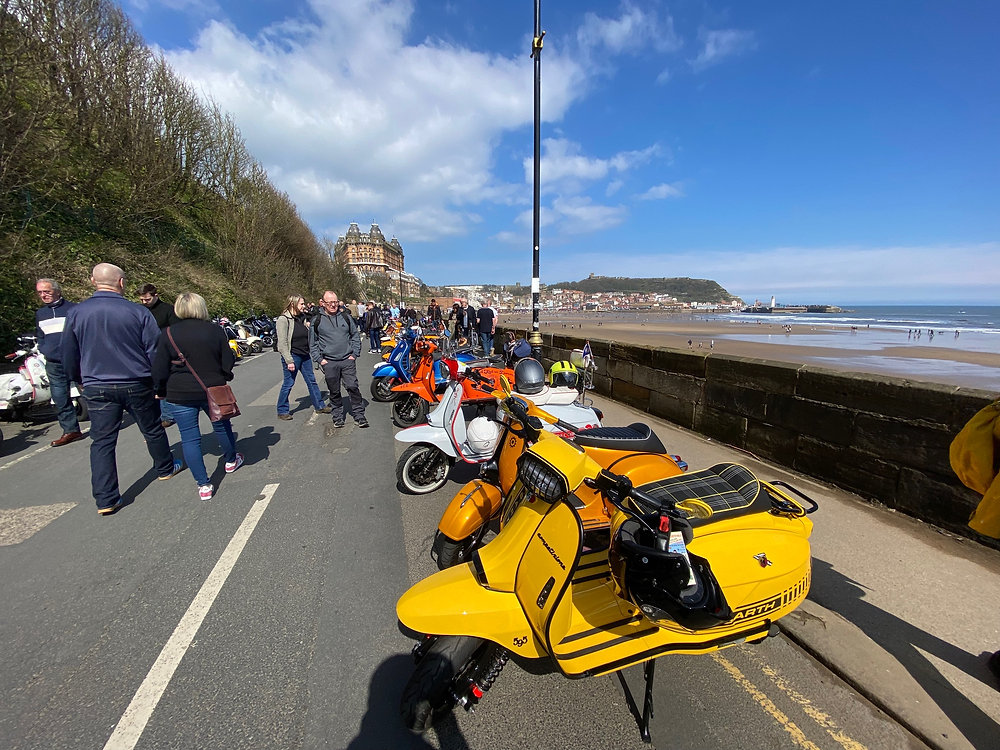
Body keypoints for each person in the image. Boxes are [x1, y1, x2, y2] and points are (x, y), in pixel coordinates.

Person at [62, 263, 182, 515]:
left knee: (102, 441)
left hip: (96, 384)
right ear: (122, 283)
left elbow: (68, 352)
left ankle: (106, 499)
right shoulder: (137, 312)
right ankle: (164, 468)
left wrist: (79, 378)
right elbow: (154, 350)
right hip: (136, 381)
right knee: (151, 429)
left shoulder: (76, 313)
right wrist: (159, 382)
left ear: (93, 282)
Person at [153, 293, 243, 501]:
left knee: (189, 438)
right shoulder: (214, 330)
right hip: (212, 388)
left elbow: (159, 366)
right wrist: (224, 375)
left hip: (179, 391)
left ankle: (203, 485)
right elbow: (227, 357)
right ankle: (231, 461)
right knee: (222, 426)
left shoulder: (168, 334)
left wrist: (160, 389)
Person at [34, 278, 83, 446]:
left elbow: (83, 332)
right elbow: (41, 335)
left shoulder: (74, 309)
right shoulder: (40, 314)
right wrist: (43, 348)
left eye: (46, 291)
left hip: (77, 359)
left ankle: (105, 424)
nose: (43, 295)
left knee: (91, 391)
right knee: (60, 397)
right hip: (53, 362)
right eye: (40, 292)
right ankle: (71, 430)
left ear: (57, 291)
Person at [310, 291, 367, 428]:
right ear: (322, 303)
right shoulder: (317, 320)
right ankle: (337, 416)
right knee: (334, 390)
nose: (333, 305)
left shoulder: (346, 317)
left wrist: (354, 354)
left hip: (347, 359)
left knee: (352, 387)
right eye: (330, 302)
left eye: (335, 302)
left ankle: (359, 415)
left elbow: (355, 335)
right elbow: (313, 342)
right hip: (329, 362)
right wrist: (319, 359)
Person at [275, 294, 329, 420]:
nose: (304, 306)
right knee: (288, 383)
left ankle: (319, 406)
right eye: (302, 304)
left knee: (311, 381)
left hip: (304, 354)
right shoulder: (283, 320)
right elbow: (282, 343)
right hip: (292, 355)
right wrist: (289, 360)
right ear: (293, 304)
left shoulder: (301, 317)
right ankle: (282, 410)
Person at [138, 283, 179, 428]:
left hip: (163, 351)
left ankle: (168, 415)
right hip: (144, 351)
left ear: (156, 295)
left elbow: (175, 331)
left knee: (162, 382)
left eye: (147, 299)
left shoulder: (168, 310)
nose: (144, 302)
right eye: (142, 300)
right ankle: (154, 414)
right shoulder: (140, 311)